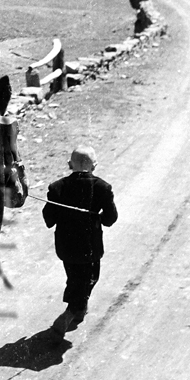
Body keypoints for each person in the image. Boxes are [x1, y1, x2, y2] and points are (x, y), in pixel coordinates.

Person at [42, 145, 118, 339]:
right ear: (95, 166)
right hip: (90, 246)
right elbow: (110, 219)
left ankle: (78, 308)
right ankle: (71, 310)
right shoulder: (103, 187)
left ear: (69, 165)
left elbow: (49, 220)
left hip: (66, 247)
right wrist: (96, 218)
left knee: (75, 277)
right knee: (90, 278)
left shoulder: (56, 187)